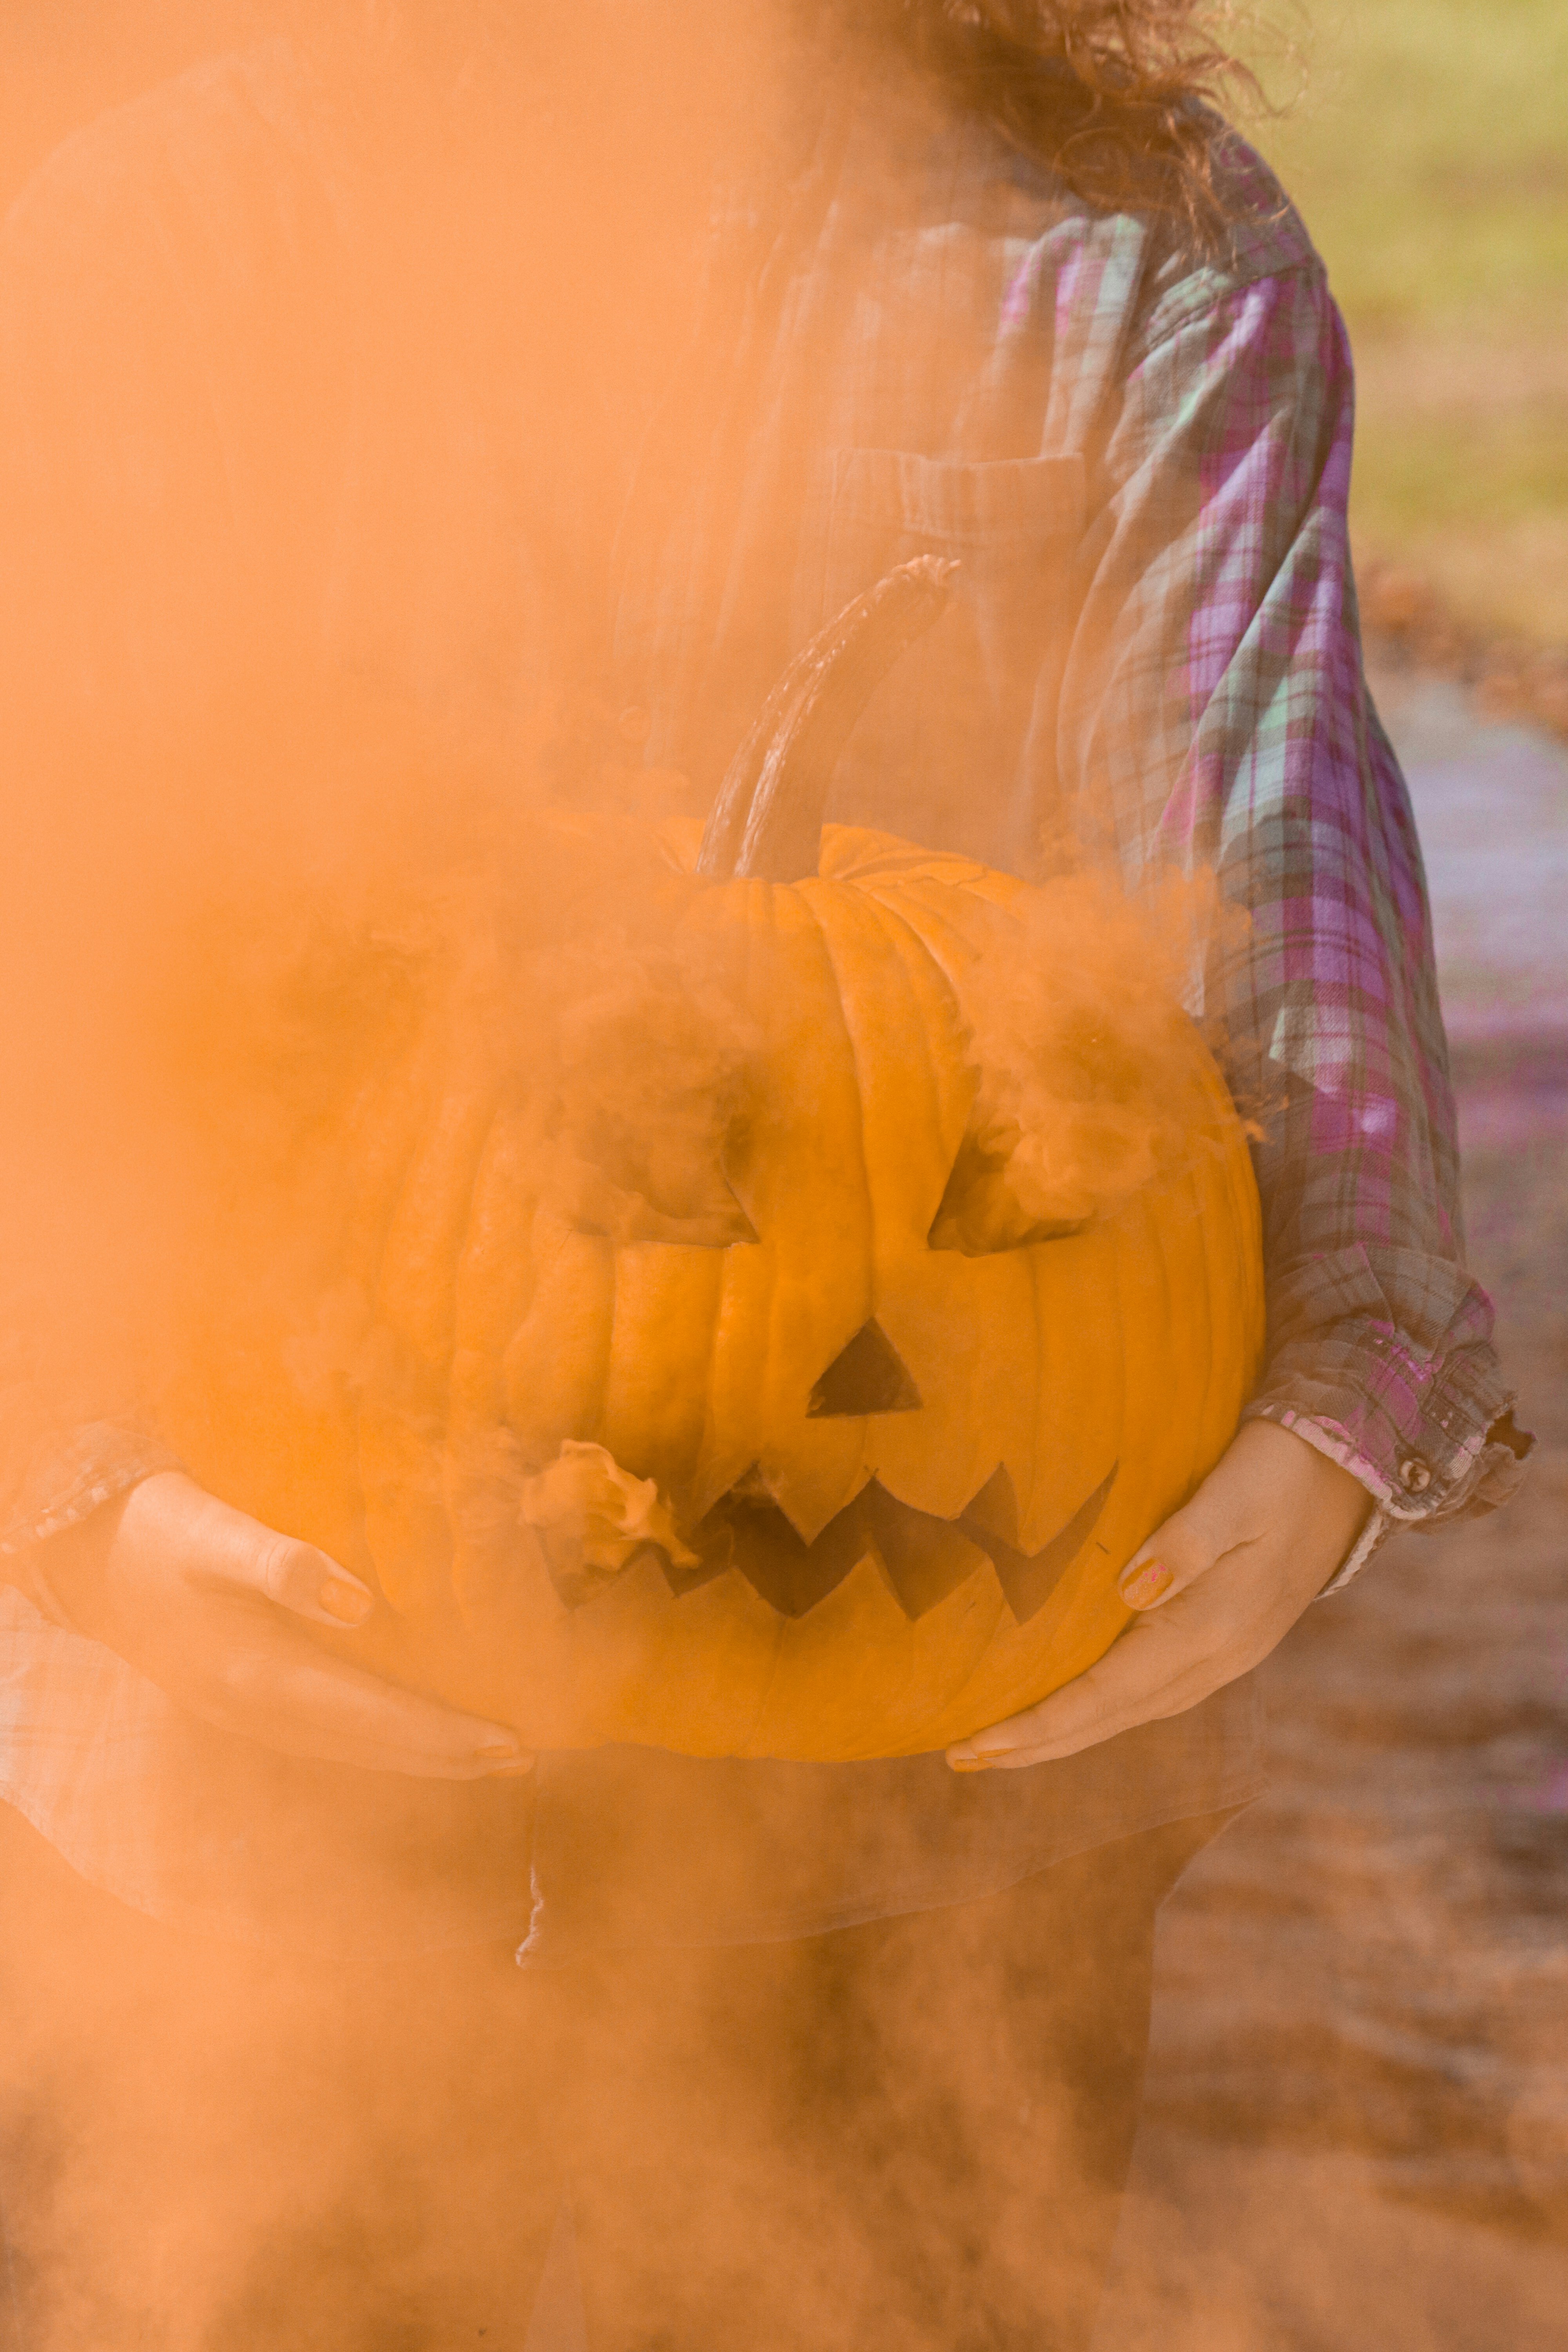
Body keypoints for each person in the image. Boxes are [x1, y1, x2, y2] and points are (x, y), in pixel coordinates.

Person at [0, 4, 1530, 2346]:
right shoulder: (161, 250)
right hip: (241, 1763)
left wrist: (1335, 1409)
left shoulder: (1144, 259)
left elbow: (1272, 850)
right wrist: (72, 1482)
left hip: (949, 1783)